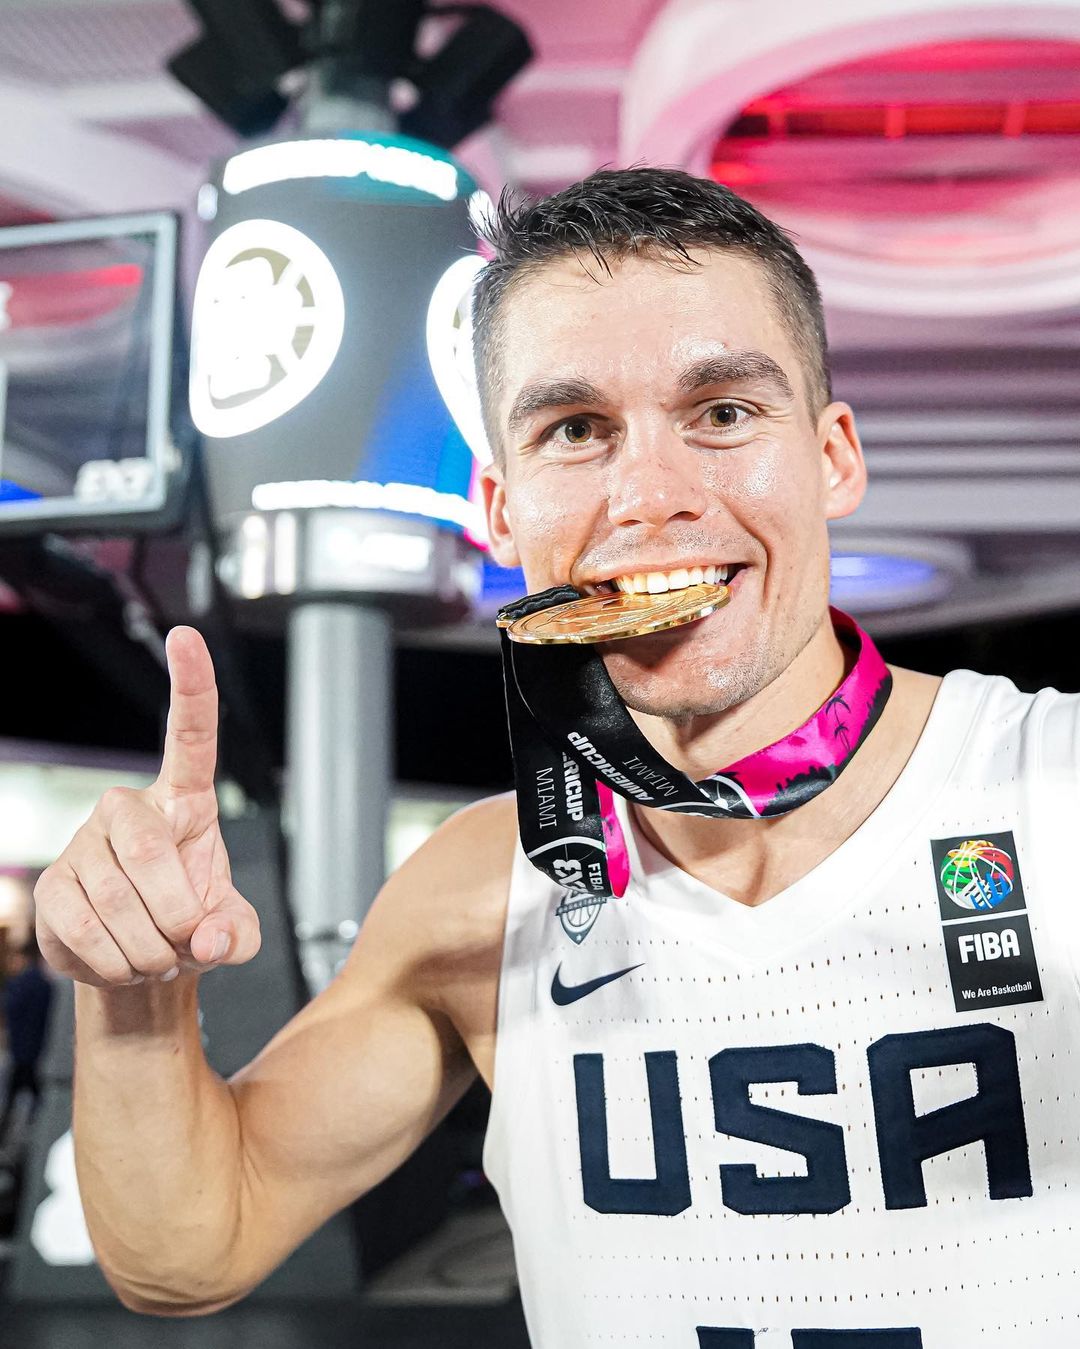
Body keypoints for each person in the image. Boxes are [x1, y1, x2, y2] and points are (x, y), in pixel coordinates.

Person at [33, 167, 1080, 1346]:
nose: (650, 496)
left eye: (723, 412)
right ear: (499, 506)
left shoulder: (1055, 791)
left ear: (832, 455)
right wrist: (133, 989)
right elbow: (187, 1250)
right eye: (576, 430)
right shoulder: (483, 887)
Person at [0, 933, 53, 1142]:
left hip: (21, 1049)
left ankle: (8, 1139)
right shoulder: (45, 985)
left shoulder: (20, 983)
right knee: (35, 1100)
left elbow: (10, 1011)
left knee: (13, 1097)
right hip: (39, 1049)